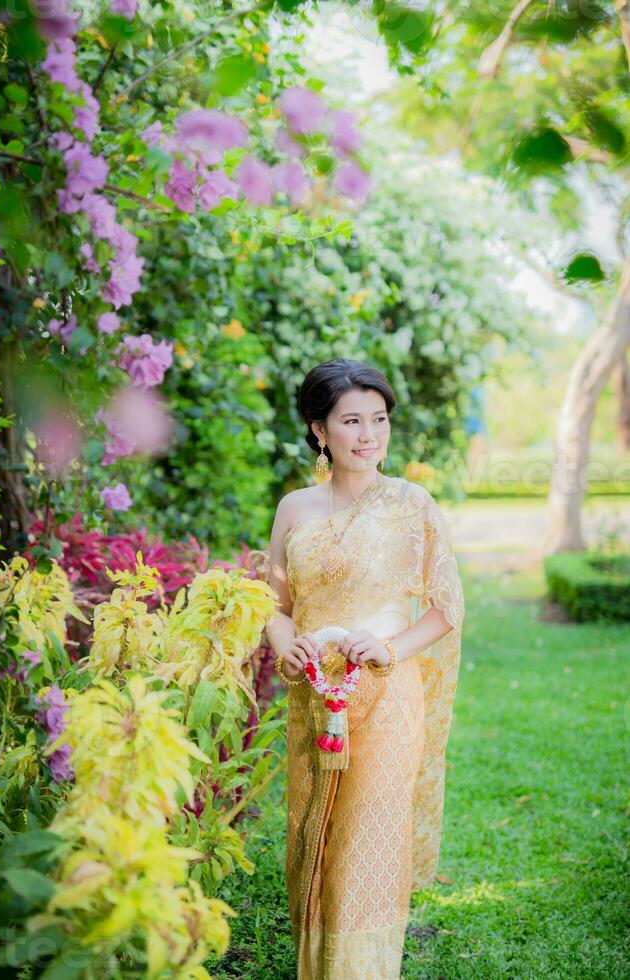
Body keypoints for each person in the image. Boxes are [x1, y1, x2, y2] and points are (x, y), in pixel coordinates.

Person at [265, 358, 465, 979]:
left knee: (366, 842)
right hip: (314, 694)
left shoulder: (412, 504)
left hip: (385, 689)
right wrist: (284, 645)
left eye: (378, 419)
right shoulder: (294, 509)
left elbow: (445, 609)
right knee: (313, 834)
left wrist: (391, 649)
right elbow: (275, 606)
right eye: (351, 420)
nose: (369, 434)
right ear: (320, 430)